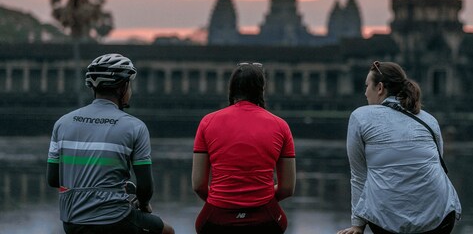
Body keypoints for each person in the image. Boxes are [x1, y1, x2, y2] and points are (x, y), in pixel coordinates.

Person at [46, 53, 175, 234]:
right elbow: (145, 187)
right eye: (130, 85)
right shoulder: (135, 127)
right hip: (115, 219)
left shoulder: (62, 123)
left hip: (72, 221)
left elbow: (53, 179)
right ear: (122, 87)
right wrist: (143, 204)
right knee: (168, 231)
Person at [337, 61, 461, 234]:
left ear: (379, 88)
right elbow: (437, 164)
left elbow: (359, 176)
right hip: (441, 215)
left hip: (388, 221)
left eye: (367, 86)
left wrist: (358, 225)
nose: (365, 93)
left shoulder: (361, 116)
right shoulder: (429, 119)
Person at [191, 62, 296, 234]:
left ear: (231, 89)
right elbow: (287, 188)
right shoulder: (281, 126)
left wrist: (224, 198)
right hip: (265, 218)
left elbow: (198, 185)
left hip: (217, 218)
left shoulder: (207, 122)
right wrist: (260, 197)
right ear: (261, 90)